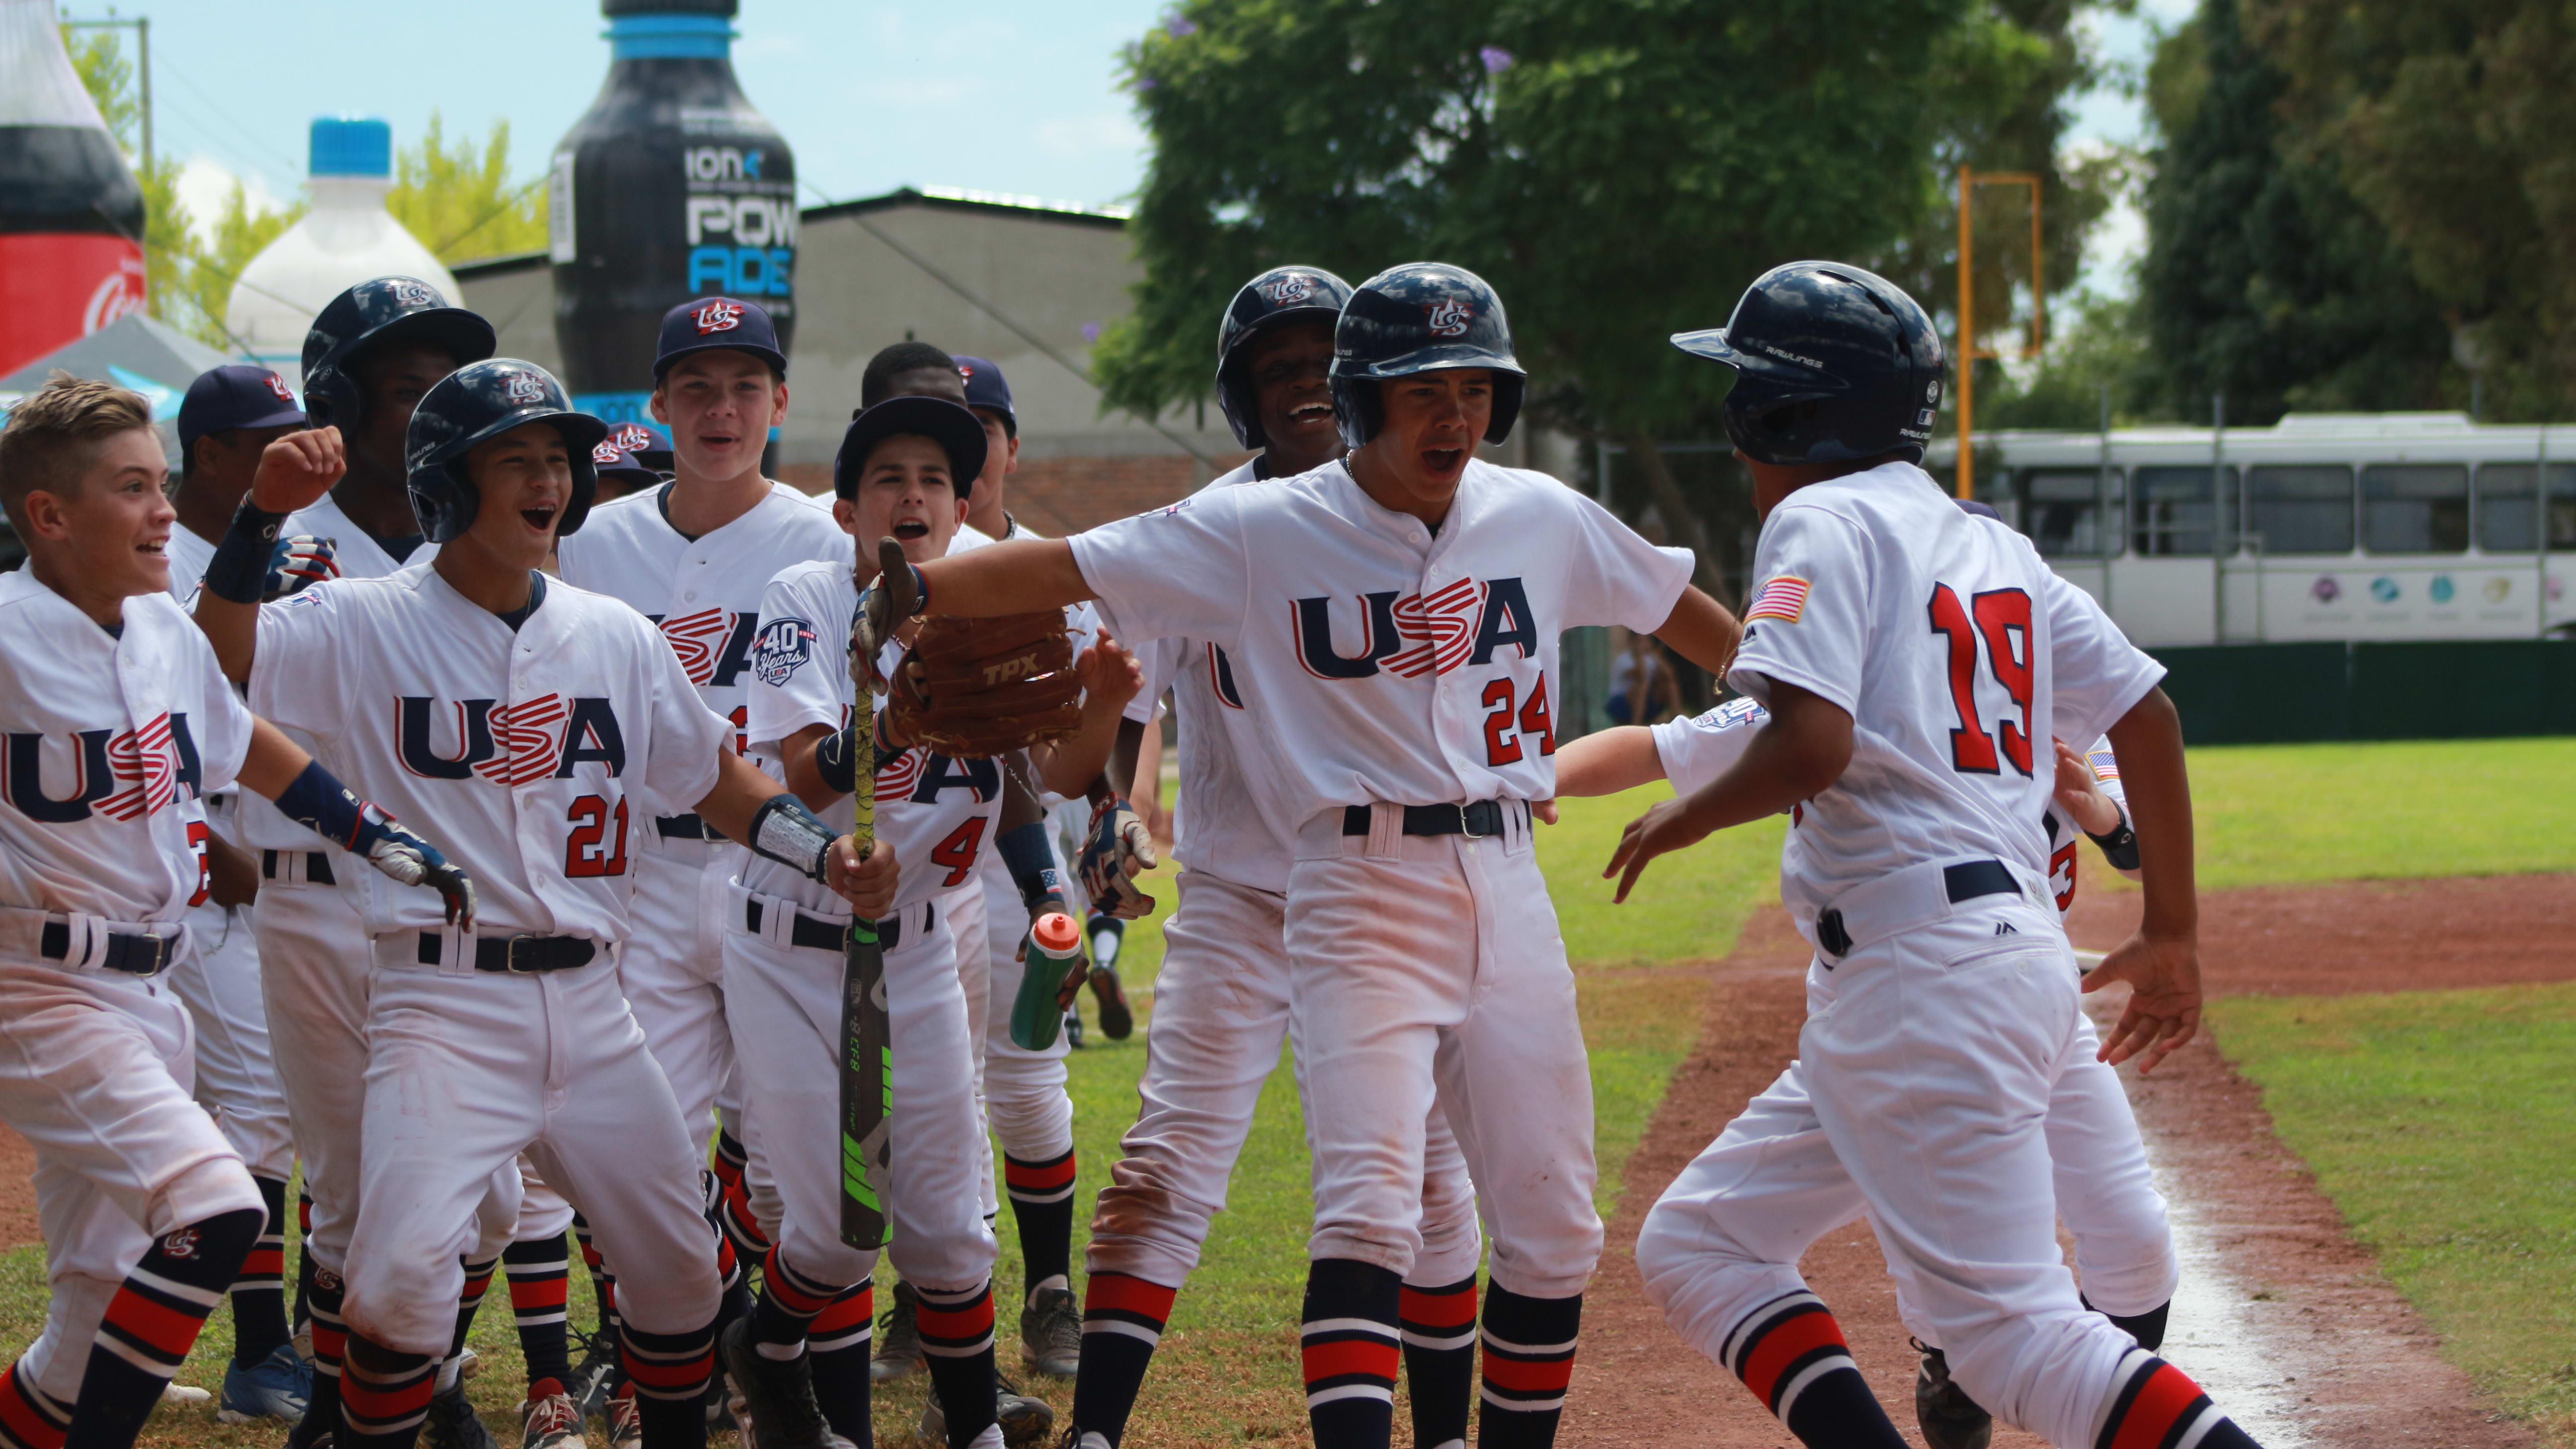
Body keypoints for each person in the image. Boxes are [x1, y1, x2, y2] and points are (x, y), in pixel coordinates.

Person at [861, 262, 1742, 1449]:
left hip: (1500, 881)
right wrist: (911, 590)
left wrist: (1787, 691)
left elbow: (1670, 598)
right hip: (1330, 884)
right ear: (1364, 393)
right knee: (1356, 1206)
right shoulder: (1248, 525)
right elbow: (1066, 569)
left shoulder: (1533, 510)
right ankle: (1104, 1426)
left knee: (1541, 1224)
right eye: (1422, 388)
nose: (1454, 415)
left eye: (1474, 389)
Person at [1613, 260, 2260, 1449]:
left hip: (1919, 975)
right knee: (1699, 1238)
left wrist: (1686, 813)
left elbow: (1811, 739)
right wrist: (2169, 929)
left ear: (1780, 414)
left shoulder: (1819, 517)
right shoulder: (1985, 540)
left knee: (2013, 1340)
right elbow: (2146, 714)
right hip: (1999, 961)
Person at [190, 357, 893, 1449]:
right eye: (513, 459)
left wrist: (822, 852)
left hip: (600, 1010)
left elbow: (716, 781)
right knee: (393, 1289)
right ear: (446, 484)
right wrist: (256, 523)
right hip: (442, 1006)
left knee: (680, 1284)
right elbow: (220, 663)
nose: (549, 481)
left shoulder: (610, 634)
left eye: (558, 459)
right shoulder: (361, 620)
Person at [0, 375, 472, 1449]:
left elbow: (243, 742)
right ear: (50, 516)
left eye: (160, 481)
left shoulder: (164, 630)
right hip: (38, 984)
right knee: (218, 1213)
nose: (165, 508)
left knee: (83, 1319)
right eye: (132, 488)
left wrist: (370, 831)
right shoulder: (6, 634)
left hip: (151, 993)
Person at [1061, 267, 1489, 1449]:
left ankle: (1446, 1434)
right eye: (1278, 369)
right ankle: (1096, 1431)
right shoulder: (1207, 531)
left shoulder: (1433, 519)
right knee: (1164, 1163)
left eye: (1322, 363)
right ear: (1244, 401)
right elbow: (1129, 706)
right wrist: (1118, 814)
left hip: (1402, 897)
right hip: (1245, 900)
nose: (1304, 385)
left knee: (1429, 1184)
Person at [1554, 699, 2172, 1449]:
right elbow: (1658, 748)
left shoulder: (2050, 676)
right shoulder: (1840, 679)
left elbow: (2135, 832)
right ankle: (1950, 1352)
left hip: (2029, 983)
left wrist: (2102, 815)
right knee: (1958, 1292)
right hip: (1887, 996)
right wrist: (1528, 774)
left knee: (2135, 1243)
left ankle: (1983, 1361)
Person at [724, 394, 1137, 1449]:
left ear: (961, 507)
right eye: (889, 479)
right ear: (852, 506)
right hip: (793, 949)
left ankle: (975, 1432)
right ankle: (767, 1349)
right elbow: (806, 782)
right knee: (831, 1232)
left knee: (952, 1234)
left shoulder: (992, 609)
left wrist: (1097, 703)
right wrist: (897, 714)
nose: (913, 496)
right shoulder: (808, 595)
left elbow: (1042, 782)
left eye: (934, 481)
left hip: (918, 951)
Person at [216, 277, 505, 1449]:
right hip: (323, 901)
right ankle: (346, 1408)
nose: (429, 407)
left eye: (444, 384)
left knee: (487, 1195)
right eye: (401, 388)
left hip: (460, 905)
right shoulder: (287, 533)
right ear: (335, 401)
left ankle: (419, 1377)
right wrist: (261, 520)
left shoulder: (483, 530)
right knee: (343, 1188)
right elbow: (215, 677)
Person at [554, 297, 848, 1395]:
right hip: (641, 872)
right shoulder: (589, 546)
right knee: (646, 1157)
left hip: (782, 865)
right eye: (697, 389)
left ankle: (783, 1364)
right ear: (659, 406)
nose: (721, 409)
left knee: (789, 1171)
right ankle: (689, 1352)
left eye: (743, 388)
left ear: (777, 403)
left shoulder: (826, 538)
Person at [859, 347, 1110, 1393]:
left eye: (963, 435)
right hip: (886, 870)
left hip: (999, 862)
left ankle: (1047, 1292)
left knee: (1022, 1081)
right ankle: (927, 1301)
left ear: (993, 451)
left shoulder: (1044, 571)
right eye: (895, 455)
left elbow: (1069, 744)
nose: (919, 486)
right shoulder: (838, 579)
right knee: (923, 1105)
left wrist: (1086, 857)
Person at [166, 365, 318, 1425]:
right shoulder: (150, 552)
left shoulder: (291, 545)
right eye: (268, 441)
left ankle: (82, 1345)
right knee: (259, 1103)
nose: (292, 456)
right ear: (213, 453)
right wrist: (215, 847)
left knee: (206, 1108)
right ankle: (263, 1356)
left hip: (272, 859)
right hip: (194, 874)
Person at [1602, 631, 1682, 725]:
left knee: (1670, 685)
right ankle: (1636, 725)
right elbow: (1642, 676)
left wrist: (1655, 654)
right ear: (1633, 642)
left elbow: (1670, 675)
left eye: (1646, 640)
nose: (1644, 644)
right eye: (1640, 641)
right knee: (1642, 687)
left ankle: (1677, 722)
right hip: (1620, 704)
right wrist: (1638, 655)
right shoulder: (1624, 660)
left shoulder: (1651, 658)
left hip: (1645, 704)